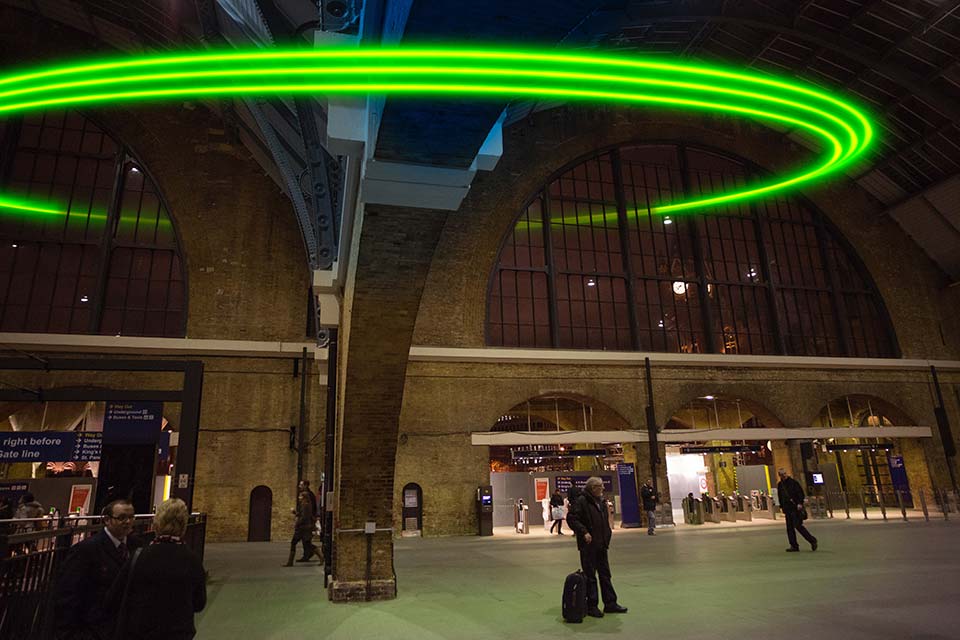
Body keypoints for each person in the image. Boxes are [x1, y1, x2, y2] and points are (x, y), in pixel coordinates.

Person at [107, 498, 206, 640]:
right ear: (184, 525)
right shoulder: (192, 560)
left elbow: (115, 596)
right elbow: (199, 603)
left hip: (141, 633)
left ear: (157, 523)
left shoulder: (139, 556)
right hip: (178, 633)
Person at [54, 499, 138, 640]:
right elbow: (68, 594)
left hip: (122, 628)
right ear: (107, 520)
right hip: (93, 629)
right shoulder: (86, 550)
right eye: (122, 518)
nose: (128, 522)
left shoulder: (135, 546)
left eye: (131, 517)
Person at [566, 477, 627, 618]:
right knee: (590, 577)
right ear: (593, 488)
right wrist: (584, 532)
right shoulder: (581, 501)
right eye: (600, 486)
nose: (603, 489)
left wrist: (607, 535)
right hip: (588, 546)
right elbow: (572, 518)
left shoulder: (600, 501)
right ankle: (592, 605)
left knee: (605, 575)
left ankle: (610, 603)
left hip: (601, 544)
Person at [776, 469, 818, 552]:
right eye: (781, 474)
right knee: (789, 528)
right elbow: (780, 496)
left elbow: (800, 493)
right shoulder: (780, 485)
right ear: (779, 475)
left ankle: (812, 540)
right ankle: (794, 545)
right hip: (787, 508)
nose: (784, 475)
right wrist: (782, 506)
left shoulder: (793, 483)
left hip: (795, 508)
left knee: (798, 525)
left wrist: (799, 503)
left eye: (784, 473)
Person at [285, 491, 320, 566]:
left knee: (295, 543)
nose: (299, 498)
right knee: (307, 544)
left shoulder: (305, 506)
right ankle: (321, 557)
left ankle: (290, 562)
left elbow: (304, 517)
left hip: (303, 528)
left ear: (304, 498)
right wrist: (295, 512)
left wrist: (298, 523)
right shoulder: (304, 505)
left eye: (300, 496)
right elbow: (302, 515)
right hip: (304, 528)